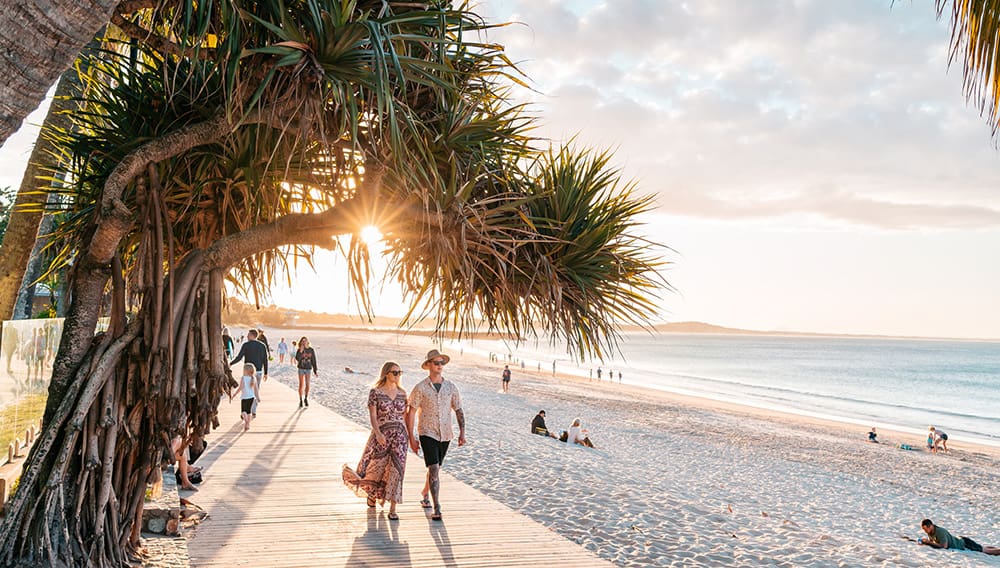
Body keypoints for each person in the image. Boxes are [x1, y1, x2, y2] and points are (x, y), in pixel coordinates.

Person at [342, 362, 409, 521]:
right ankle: (372, 494)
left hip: (399, 438)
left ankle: (393, 508)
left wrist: (409, 436)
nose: (398, 375)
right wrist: (378, 433)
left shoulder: (402, 393)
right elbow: (373, 417)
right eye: (395, 372)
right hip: (381, 436)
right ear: (386, 373)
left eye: (400, 372)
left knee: (397, 471)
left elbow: (405, 417)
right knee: (375, 468)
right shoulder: (375, 393)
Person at [406, 349, 465, 521]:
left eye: (442, 363)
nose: (440, 366)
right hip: (427, 432)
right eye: (436, 363)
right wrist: (412, 437)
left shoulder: (451, 387)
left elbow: (459, 409)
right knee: (433, 468)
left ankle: (425, 493)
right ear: (429, 366)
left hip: (446, 434)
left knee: (436, 467)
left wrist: (462, 432)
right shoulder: (420, 388)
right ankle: (437, 507)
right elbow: (411, 413)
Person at [229, 329, 268, 416]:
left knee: (246, 390)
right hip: (258, 372)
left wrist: (231, 363)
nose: (247, 336)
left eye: (248, 335)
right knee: (256, 390)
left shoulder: (246, 345)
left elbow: (239, 357)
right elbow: (265, 360)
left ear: (252, 335)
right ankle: (253, 410)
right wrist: (266, 372)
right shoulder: (262, 345)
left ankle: (246, 411)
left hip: (247, 373)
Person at [919, 519, 1000, 555]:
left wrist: (929, 542)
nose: (925, 531)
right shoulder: (931, 532)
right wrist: (926, 542)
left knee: (985, 551)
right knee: (983, 548)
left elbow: (944, 546)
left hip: (964, 543)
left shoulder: (940, 532)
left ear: (931, 526)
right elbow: (935, 543)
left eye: (926, 529)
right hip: (959, 540)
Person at [230, 363, 260, 432]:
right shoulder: (254, 378)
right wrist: (258, 397)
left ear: (245, 371)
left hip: (244, 397)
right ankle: (247, 424)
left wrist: (234, 394)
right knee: (249, 412)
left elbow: (240, 388)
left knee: (243, 412)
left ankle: (246, 421)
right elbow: (256, 389)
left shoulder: (243, 378)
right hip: (251, 397)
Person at [294, 336, 318, 408]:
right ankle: (300, 400)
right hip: (301, 368)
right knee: (301, 384)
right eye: (302, 341)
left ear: (308, 342)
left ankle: (306, 398)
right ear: (301, 342)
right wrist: (301, 351)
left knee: (307, 384)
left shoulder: (311, 350)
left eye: (305, 341)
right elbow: (297, 359)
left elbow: (314, 360)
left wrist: (315, 370)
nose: (304, 342)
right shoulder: (299, 350)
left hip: (308, 369)